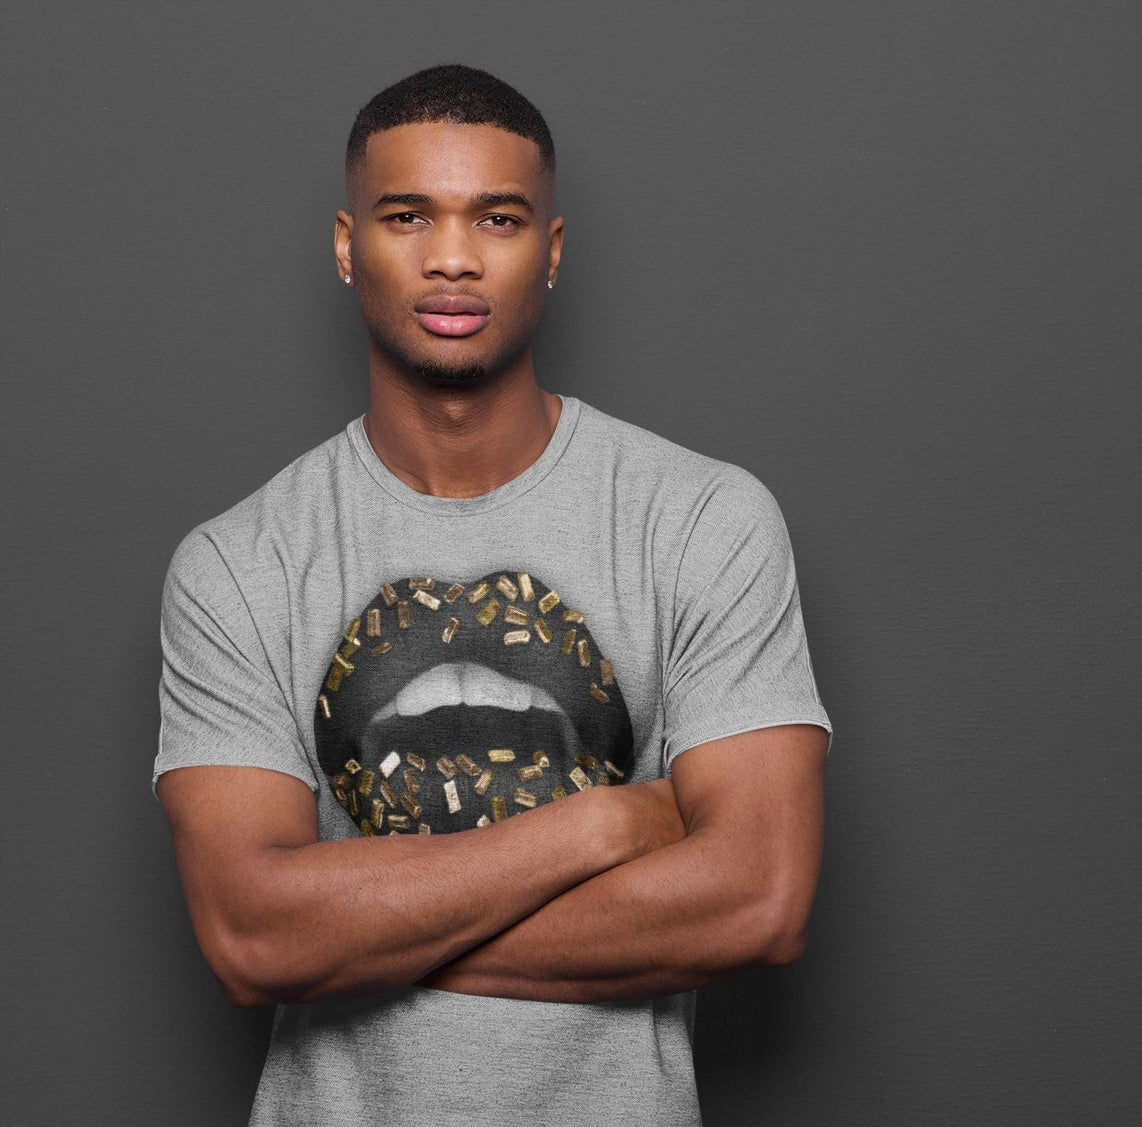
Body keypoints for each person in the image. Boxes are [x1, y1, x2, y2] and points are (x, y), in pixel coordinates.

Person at [152, 63, 832, 1126]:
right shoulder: (239, 563)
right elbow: (251, 936)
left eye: (497, 218)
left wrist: (351, 929)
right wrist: (603, 825)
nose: (453, 257)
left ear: (550, 252)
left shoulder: (701, 519)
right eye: (407, 216)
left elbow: (757, 900)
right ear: (346, 246)